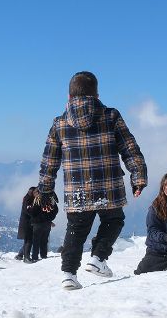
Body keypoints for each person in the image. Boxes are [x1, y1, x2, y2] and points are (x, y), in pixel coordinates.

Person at [38, 71, 148, 290]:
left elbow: (49, 161)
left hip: (76, 189)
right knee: (114, 220)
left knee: (76, 229)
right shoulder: (111, 116)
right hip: (109, 186)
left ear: (69, 97)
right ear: (97, 94)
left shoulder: (59, 124)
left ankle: (69, 274)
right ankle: (98, 258)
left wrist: (45, 190)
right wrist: (138, 176)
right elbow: (130, 148)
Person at [27, 189, 59, 262]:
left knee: (36, 241)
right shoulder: (50, 201)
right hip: (47, 223)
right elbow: (56, 210)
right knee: (44, 240)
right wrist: (50, 219)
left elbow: (33, 212)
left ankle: (35, 257)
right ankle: (43, 255)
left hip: (37, 223)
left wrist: (29, 209)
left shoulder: (37, 201)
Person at [16, 186, 36, 261]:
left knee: (28, 240)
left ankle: (20, 255)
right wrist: (35, 214)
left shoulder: (28, 198)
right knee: (29, 240)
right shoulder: (28, 199)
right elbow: (27, 211)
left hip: (27, 222)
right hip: (27, 223)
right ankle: (26, 257)